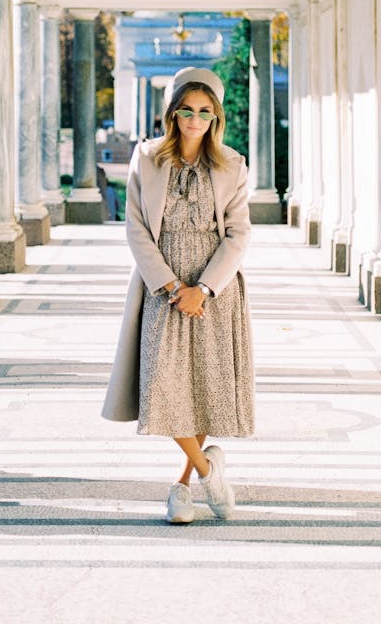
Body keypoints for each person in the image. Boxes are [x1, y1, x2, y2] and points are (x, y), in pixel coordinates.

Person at [102, 66, 253, 524]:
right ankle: (210, 470)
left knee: (204, 386)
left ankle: (183, 487)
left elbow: (239, 234)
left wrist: (203, 288)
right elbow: (136, 229)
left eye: (205, 112)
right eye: (187, 110)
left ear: (216, 117)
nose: (195, 119)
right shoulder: (146, 158)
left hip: (214, 290)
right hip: (162, 287)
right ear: (172, 113)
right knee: (163, 386)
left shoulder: (233, 164)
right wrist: (171, 285)